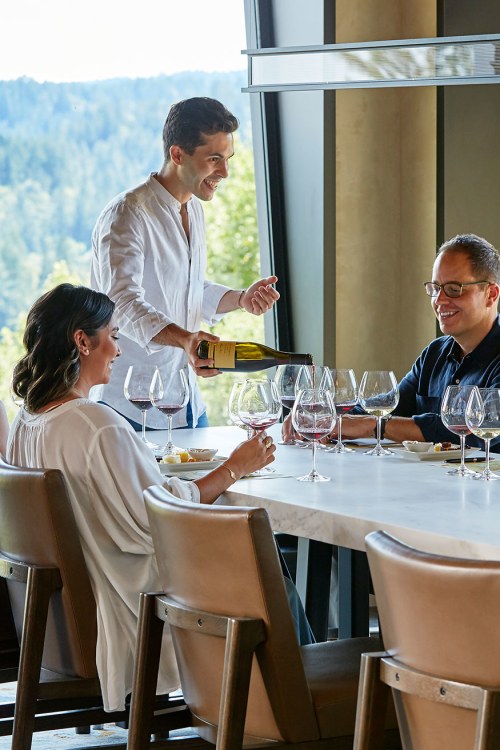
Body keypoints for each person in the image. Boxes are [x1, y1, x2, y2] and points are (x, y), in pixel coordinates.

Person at [6, 283, 278, 713]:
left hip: (59, 619)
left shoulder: (26, 421)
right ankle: (282, 703)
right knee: (266, 565)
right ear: (82, 340)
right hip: (128, 607)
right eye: (113, 335)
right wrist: (234, 468)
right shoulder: (97, 426)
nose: (117, 350)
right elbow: (161, 520)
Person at [90, 96, 280, 430]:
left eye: (227, 158)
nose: (225, 172)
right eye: (214, 159)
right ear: (178, 154)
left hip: (187, 402)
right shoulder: (127, 214)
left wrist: (240, 299)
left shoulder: (193, 208)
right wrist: (186, 339)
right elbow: (120, 304)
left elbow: (189, 288)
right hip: (133, 407)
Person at [283, 233, 500, 450]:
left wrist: (374, 426)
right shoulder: (434, 354)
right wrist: (324, 417)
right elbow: (388, 407)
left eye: (454, 289)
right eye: (435, 288)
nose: (440, 300)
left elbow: (478, 432)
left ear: (491, 294)